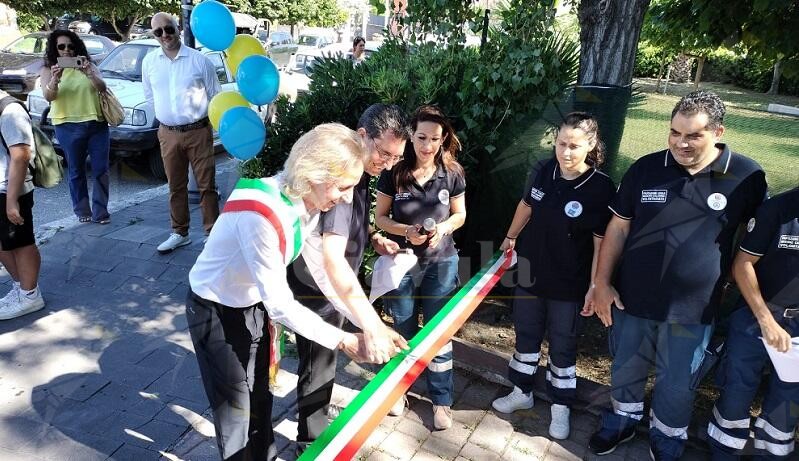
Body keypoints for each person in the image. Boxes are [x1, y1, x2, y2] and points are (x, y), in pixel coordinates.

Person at [588, 90, 768, 460]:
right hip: (632, 297)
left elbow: (753, 243)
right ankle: (623, 418)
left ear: (718, 131)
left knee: (679, 381)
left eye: (693, 135)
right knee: (625, 365)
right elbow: (618, 228)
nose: (681, 143)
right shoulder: (646, 167)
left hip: (694, 307)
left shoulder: (747, 176)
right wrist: (602, 283)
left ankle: (668, 435)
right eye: (674, 133)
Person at [187, 123, 383, 461]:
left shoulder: (304, 203)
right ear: (316, 174)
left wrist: (370, 325)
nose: (348, 197)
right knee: (235, 411)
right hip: (214, 310)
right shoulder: (261, 213)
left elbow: (323, 272)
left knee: (259, 394)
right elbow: (280, 304)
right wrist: (345, 340)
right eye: (344, 186)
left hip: (250, 304)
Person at [288, 104, 411, 454]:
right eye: (384, 153)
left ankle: (314, 428)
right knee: (320, 364)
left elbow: (347, 223)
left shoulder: (354, 171)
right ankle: (310, 442)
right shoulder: (341, 175)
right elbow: (332, 258)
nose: (387, 164)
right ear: (362, 136)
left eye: (394, 157)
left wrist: (372, 235)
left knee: (322, 361)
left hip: (333, 287)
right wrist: (371, 325)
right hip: (319, 288)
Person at [491, 112, 615, 440]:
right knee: (526, 336)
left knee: (563, 345)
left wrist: (594, 285)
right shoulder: (545, 170)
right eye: (561, 143)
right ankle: (522, 392)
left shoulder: (601, 187)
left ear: (590, 145)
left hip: (569, 284)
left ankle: (561, 407)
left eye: (574, 146)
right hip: (531, 275)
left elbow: (600, 242)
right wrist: (511, 236)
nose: (566, 152)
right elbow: (527, 205)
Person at [375, 105, 467, 430]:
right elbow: (380, 218)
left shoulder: (452, 172)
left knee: (438, 332)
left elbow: (460, 215)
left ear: (444, 140)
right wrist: (405, 232)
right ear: (411, 136)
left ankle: (442, 399)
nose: (427, 146)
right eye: (421, 137)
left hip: (441, 264)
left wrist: (440, 230)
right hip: (400, 263)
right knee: (402, 328)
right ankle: (397, 392)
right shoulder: (394, 171)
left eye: (435, 139)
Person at [707, 187, 799, 460]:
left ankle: (772, 455)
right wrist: (766, 320)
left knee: (788, 401)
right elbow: (743, 265)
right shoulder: (777, 209)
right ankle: (722, 452)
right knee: (736, 391)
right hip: (756, 318)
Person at [142, 12, 222, 254]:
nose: (165, 35)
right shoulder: (150, 62)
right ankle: (180, 232)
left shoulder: (199, 61)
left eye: (169, 29)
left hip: (198, 131)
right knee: (175, 186)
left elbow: (215, 95)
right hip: (167, 133)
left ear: (178, 28)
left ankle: (212, 234)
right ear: (154, 35)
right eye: (158, 32)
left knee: (207, 185)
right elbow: (149, 95)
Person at [40, 30, 110, 225]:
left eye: (71, 46)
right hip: (67, 125)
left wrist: (89, 74)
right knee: (76, 171)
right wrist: (55, 79)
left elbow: (102, 87)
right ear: (55, 49)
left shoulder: (89, 65)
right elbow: (49, 97)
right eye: (61, 47)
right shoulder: (47, 70)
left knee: (101, 169)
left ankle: (101, 212)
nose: (67, 50)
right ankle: (82, 210)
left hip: (96, 124)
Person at [0, 90, 44, 320]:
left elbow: (21, 156)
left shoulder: (10, 111)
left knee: (21, 243)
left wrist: (11, 201)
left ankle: (30, 296)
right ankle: (22, 289)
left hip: (10, 191)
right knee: (5, 244)